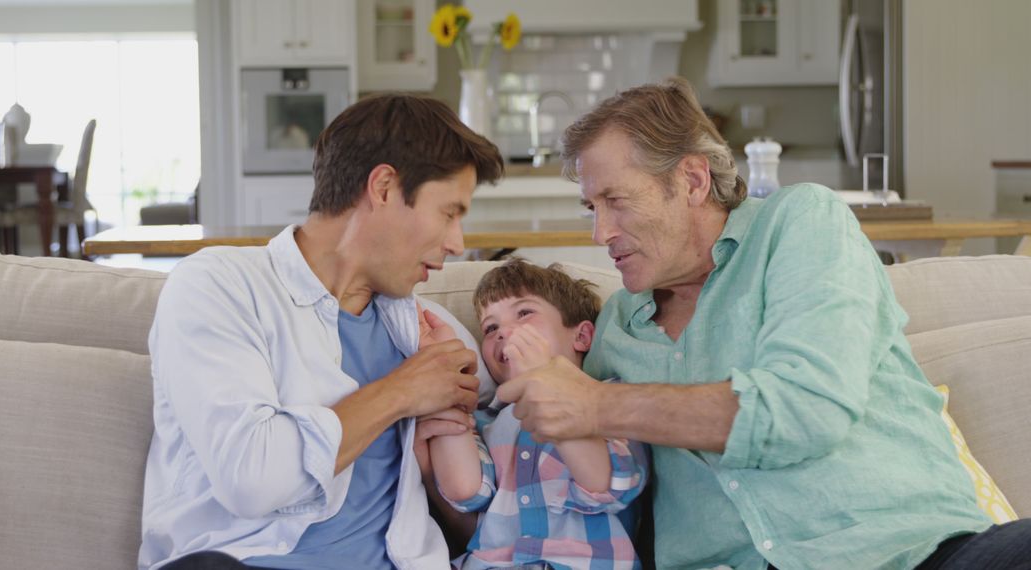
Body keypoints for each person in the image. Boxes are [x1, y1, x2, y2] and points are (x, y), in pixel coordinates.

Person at [495, 77, 1031, 570]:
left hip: (912, 554)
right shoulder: (613, 327)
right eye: (592, 207)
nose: (599, 232)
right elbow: (546, 457)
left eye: (615, 201)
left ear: (692, 179)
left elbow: (807, 408)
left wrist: (596, 405)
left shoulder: (800, 226)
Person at [138, 94, 504, 570]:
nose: (457, 243)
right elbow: (251, 478)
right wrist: (401, 392)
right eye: (449, 212)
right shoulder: (219, 287)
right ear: (385, 187)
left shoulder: (429, 334)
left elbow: (507, 412)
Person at [421, 259, 647, 569]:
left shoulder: (609, 400)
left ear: (581, 337)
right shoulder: (485, 421)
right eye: (490, 327)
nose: (504, 333)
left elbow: (610, 485)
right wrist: (448, 376)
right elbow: (464, 491)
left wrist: (548, 382)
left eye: (524, 313)